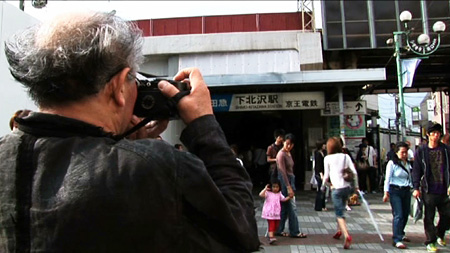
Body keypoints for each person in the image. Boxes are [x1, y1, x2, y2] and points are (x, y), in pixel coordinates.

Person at [0, 11, 260, 252]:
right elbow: (240, 231)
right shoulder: (155, 167)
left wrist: (118, 143)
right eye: (133, 79)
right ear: (117, 87)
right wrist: (203, 123)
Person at [412, 122, 450, 252]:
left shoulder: (445, 150)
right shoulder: (421, 151)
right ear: (428, 135)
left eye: (438, 133)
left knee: (447, 215)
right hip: (428, 189)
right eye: (433, 133)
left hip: (444, 189)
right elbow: (416, 170)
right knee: (429, 216)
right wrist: (416, 187)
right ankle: (430, 241)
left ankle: (440, 233)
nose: (436, 136)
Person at [322, 137, 359, 250]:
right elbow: (354, 172)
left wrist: (323, 185)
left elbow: (326, 176)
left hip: (336, 189)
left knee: (339, 213)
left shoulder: (327, 158)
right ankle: (339, 231)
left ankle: (346, 235)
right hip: (347, 188)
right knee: (341, 208)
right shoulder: (345, 156)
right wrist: (356, 186)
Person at [275, 133, 307, 238]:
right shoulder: (281, 154)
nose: (289, 146)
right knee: (292, 208)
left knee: (284, 207)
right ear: (283, 142)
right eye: (287, 143)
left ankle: (279, 229)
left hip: (290, 179)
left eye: (291, 144)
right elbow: (283, 172)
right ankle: (295, 231)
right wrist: (289, 187)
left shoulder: (288, 153)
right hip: (285, 182)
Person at [383, 142, 413, 249]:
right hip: (395, 190)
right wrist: (385, 192)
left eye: (406, 152)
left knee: (405, 214)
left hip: (406, 190)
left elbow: (410, 177)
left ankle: (401, 232)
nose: (404, 155)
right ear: (396, 152)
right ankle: (397, 239)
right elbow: (387, 179)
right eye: (402, 152)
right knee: (398, 214)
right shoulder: (392, 164)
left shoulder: (408, 164)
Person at [259, 178, 291, 244]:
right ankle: (271, 237)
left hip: (276, 212)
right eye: (273, 187)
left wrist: (289, 197)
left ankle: (271, 234)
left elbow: (283, 199)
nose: (275, 188)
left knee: (276, 225)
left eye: (277, 187)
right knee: (272, 224)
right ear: (271, 186)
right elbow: (261, 194)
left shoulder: (279, 194)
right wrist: (265, 189)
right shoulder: (268, 193)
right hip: (269, 212)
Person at [314, 139, 327, 211]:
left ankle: (323, 205)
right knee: (320, 189)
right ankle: (319, 206)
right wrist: (321, 174)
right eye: (323, 144)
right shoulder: (317, 153)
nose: (325, 146)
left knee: (323, 190)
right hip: (319, 174)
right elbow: (318, 165)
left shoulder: (324, 152)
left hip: (324, 173)